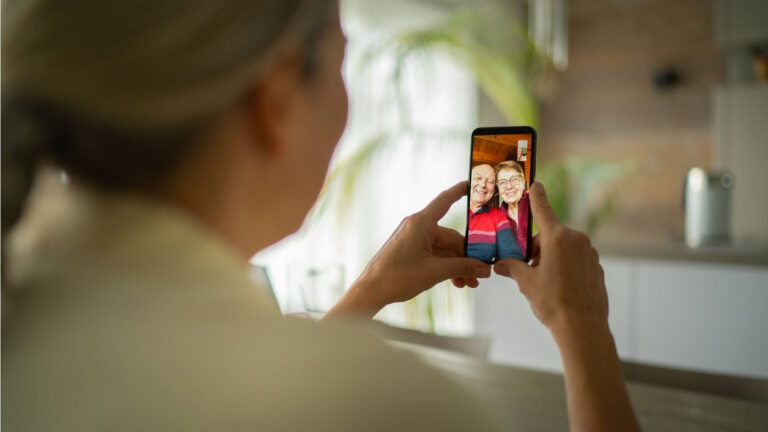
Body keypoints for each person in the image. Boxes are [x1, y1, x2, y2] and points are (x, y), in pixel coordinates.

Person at [1, 1, 639, 431]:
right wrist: (581, 325)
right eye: (341, 62)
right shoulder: (381, 404)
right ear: (276, 96)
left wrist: (369, 292)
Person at [466, 164, 523, 262]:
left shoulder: (498, 215)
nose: (483, 184)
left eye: (490, 181)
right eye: (478, 178)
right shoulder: (451, 207)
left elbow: (511, 254)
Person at [495, 160, 530, 258]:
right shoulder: (496, 218)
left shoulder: (535, 203)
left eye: (514, 180)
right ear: (498, 187)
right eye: (502, 183)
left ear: (523, 182)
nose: (509, 186)